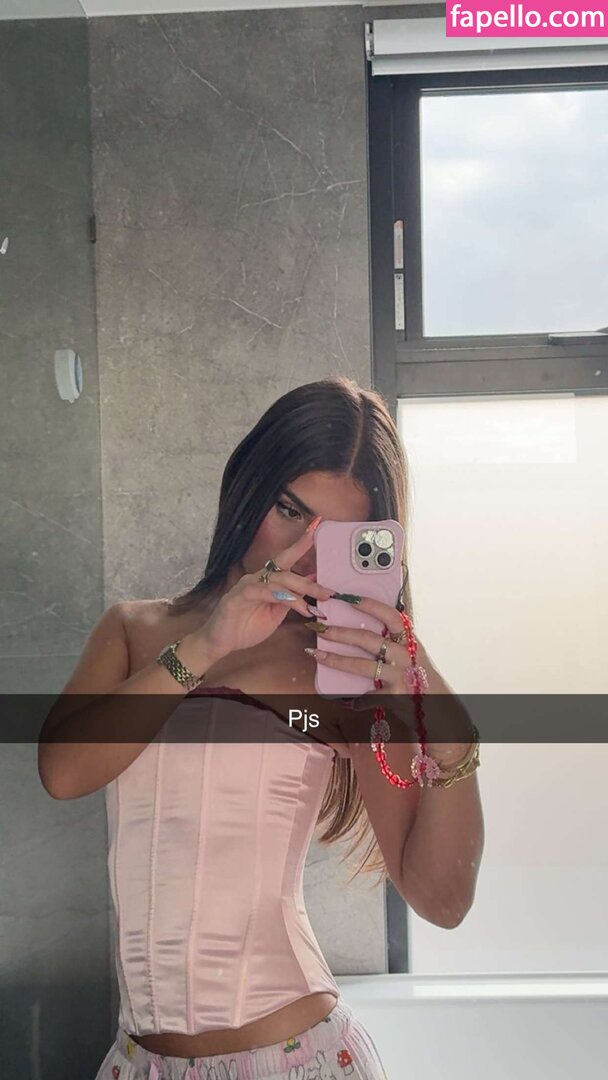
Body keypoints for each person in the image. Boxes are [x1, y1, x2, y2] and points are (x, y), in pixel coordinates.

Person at [38, 375, 483, 1080]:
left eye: (335, 536)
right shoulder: (134, 631)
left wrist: (447, 726)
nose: (303, 552)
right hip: (138, 1063)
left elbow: (442, 898)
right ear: (248, 484)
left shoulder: (341, 674)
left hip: (296, 1058)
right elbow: (63, 773)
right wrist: (207, 645)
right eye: (289, 510)